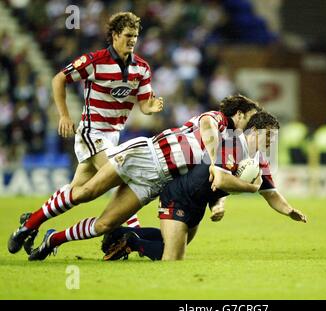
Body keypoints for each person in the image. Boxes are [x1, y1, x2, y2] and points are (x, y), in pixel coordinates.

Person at [12, 95, 260, 260]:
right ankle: (30, 224)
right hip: (145, 156)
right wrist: (213, 156)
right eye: (250, 119)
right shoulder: (216, 119)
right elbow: (206, 129)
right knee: (86, 192)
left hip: (155, 181)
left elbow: (215, 181)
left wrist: (219, 202)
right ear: (238, 113)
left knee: (105, 225)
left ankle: (53, 239)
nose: (250, 126)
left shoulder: (230, 144)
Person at [7, 12, 164, 255]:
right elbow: (59, 79)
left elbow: (144, 104)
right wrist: (64, 115)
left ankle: (30, 224)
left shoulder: (141, 68)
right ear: (114, 35)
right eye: (127, 35)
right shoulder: (95, 61)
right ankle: (131, 234)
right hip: (92, 133)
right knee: (122, 175)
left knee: (78, 193)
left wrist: (150, 108)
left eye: (135, 36)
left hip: (113, 137)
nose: (132, 40)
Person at [101, 111, 307, 261]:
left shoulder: (259, 160)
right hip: (179, 196)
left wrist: (289, 211)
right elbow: (221, 180)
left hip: (197, 204)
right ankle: (131, 242)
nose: (271, 141)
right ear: (253, 131)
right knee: (171, 258)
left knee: (170, 246)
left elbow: (271, 193)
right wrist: (250, 188)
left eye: (274, 137)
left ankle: (123, 235)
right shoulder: (232, 144)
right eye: (268, 135)